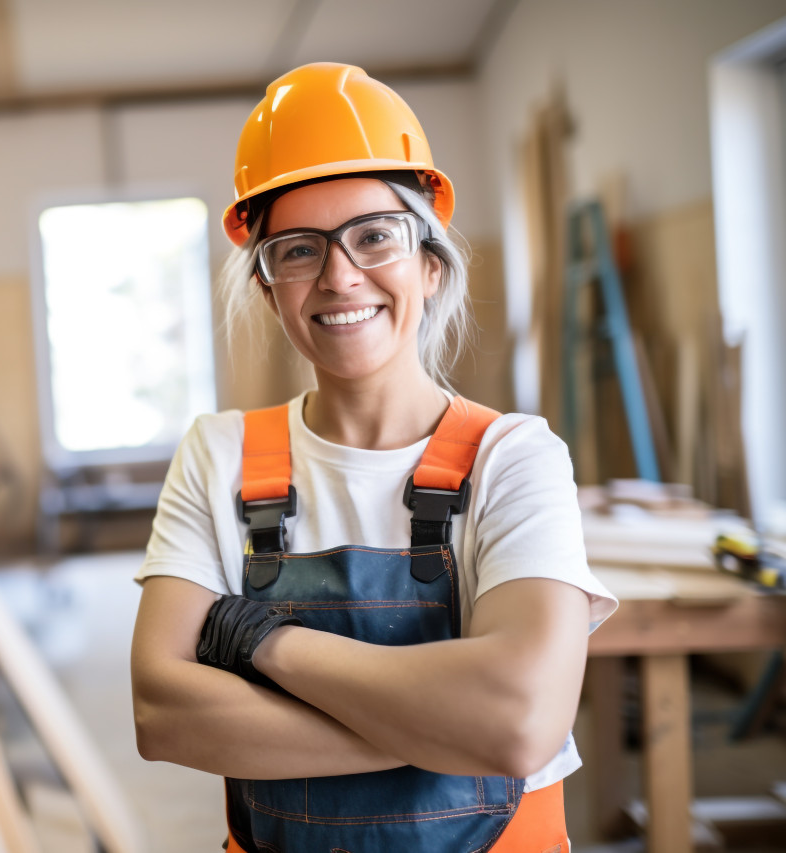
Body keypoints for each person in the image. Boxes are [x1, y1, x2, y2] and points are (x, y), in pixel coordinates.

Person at [130, 62, 618, 852]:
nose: (338, 274)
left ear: (430, 264)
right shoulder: (217, 456)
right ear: (268, 288)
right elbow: (162, 715)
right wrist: (450, 727)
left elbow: (522, 719)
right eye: (297, 250)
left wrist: (260, 642)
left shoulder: (515, 457)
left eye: (374, 235)